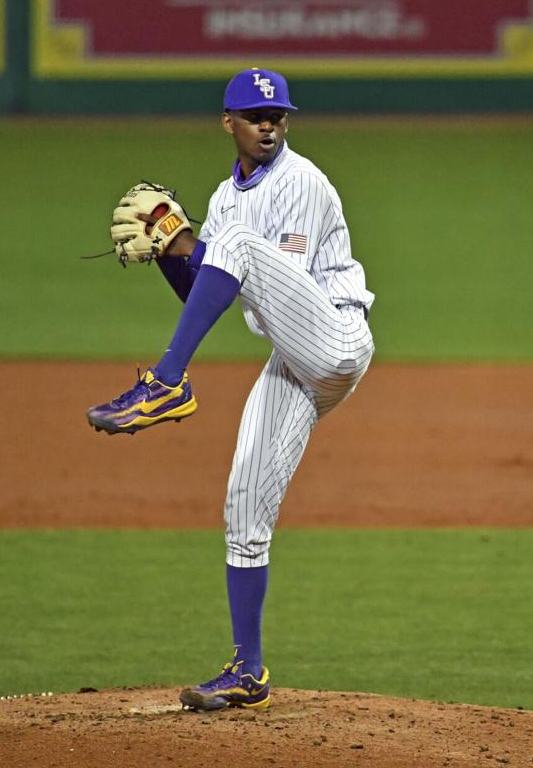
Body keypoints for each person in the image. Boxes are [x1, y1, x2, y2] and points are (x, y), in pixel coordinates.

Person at [87, 67, 375, 711]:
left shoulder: (303, 181)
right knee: (245, 507)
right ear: (229, 123)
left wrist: (197, 244)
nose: (268, 126)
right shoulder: (224, 197)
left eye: (277, 116)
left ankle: (165, 383)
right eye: (254, 116)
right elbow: (208, 291)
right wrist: (170, 252)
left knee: (236, 243)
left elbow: (263, 276)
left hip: (333, 340)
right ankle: (249, 670)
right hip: (295, 359)